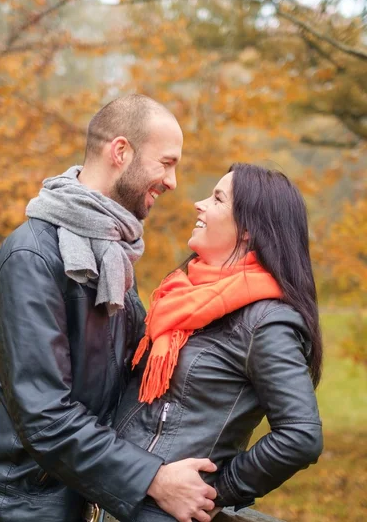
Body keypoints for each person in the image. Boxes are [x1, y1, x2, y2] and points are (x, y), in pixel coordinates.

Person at [0, 94, 218, 522]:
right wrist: (152, 479)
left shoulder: (111, 252)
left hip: (86, 500)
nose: (173, 181)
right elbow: (45, 415)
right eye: (166, 162)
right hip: (25, 510)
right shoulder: (33, 257)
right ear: (121, 151)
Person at [111, 163, 324, 521]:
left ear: (247, 230)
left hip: (158, 511)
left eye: (217, 198)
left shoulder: (267, 321)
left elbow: (301, 436)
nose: (199, 203)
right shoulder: (185, 295)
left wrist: (215, 491)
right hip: (118, 491)